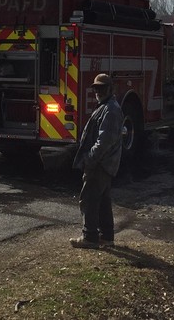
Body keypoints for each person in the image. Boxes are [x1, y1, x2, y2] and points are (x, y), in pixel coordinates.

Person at [71, 73, 124, 249]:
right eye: (96, 88)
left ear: (110, 89)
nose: (98, 91)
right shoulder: (106, 107)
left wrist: (90, 159)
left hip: (100, 163)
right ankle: (106, 237)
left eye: (102, 88)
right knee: (102, 200)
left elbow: (104, 142)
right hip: (104, 163)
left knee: (88, 199)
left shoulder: (111, 110)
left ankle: (90, 237)